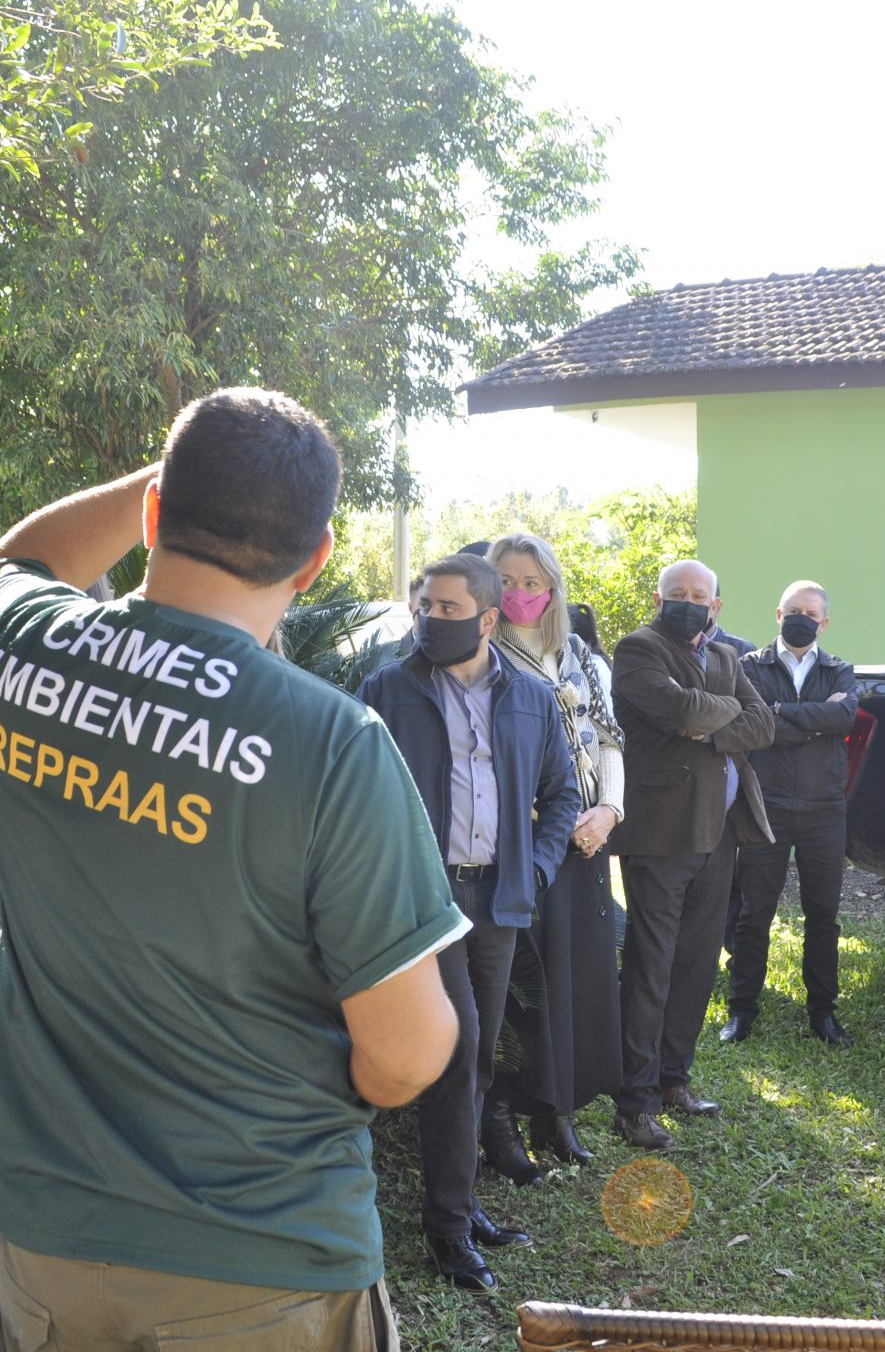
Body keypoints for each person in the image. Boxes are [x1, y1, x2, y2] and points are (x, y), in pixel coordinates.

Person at [0, 387, 464, 1350]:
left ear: (154, 511)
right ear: (315, 559)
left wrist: (176, 472)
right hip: (261, 1258)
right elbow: (405, 1058)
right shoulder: (332, 743)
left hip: (49, 1250)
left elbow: (16, 559)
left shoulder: (32, 646)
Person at [358, 551, 578, 1290]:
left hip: (500, 901)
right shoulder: (387, 689)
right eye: (424, 605)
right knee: (459, 1053)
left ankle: (463, 1200)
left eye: (448, 609)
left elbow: (562, 795)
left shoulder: (532, 697)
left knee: (477, 1061)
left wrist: (536, 868)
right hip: (425, 902)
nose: (431, 619)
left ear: (488, 619)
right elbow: (355, 795)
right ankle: (448, 1226)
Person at [609, 559, 773, 1150]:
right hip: (660, 834)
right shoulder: (638, 649)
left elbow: (764, 724)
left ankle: (674, 1078)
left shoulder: (727, 656)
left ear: (715, 606)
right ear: (660, 600)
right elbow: (679, 711)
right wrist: (718, 713)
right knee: (651, 968)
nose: (687, 602)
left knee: (697, 964)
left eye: (698, 595)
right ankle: (635, 1102)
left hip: (718, 833)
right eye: (676, 593)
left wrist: (709, 720)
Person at [484, 534, 624, 1169]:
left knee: (576, 980)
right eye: (506, 581)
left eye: (532, 582)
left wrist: (609, 811)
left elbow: (610, 740)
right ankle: (503, 1118)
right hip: (523, 844)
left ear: (552, 589)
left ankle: (557, 1113)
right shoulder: (484, 655)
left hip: (587, 841)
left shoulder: (580, 656)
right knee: (525, 984)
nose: (519, 594)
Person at [724, 581, 858, 1048]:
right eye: (794, 610)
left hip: (825, 810)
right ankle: (741, 1010)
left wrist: (782, 712)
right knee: (753, 913)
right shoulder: (749, 666)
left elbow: (845, 720)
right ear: (779, 614)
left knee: (823, 915)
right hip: (767, 806)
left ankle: (823, 1012)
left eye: (811, 614)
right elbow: (755, 725)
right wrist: (815, 720)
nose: (802, 619)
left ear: (824, 623)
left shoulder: (840, 669)